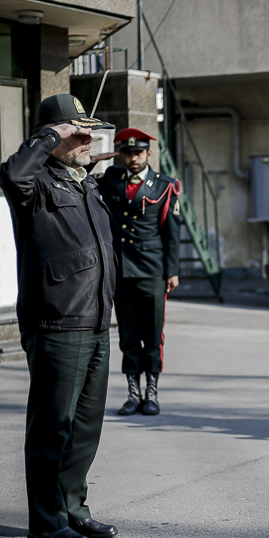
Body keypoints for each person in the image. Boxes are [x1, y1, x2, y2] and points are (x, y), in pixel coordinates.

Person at [0, 94, 118, 538]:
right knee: (53, 426)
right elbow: (12, 173)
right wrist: (50, 138)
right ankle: (46, 522)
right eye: (79, 131)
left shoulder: (83, 183)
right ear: (55, 134)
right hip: (57, 321)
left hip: (95, 319)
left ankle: (73, 508)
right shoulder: (36, 183)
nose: (89, 139)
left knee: (86, 426)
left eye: (90, 131)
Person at [96, 128, 182, 416]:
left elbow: (171, 233)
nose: (133, 158)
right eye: (128, 153)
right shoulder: (111, 180)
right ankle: (133, 394)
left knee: (153, 335)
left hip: (152, 272)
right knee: (128, 335)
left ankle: (152, 393)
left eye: (138, 152)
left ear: (148, 154)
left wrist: (172, 271)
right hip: (121, 272)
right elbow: (82, 174)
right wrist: (99, 157)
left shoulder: (164, 186)